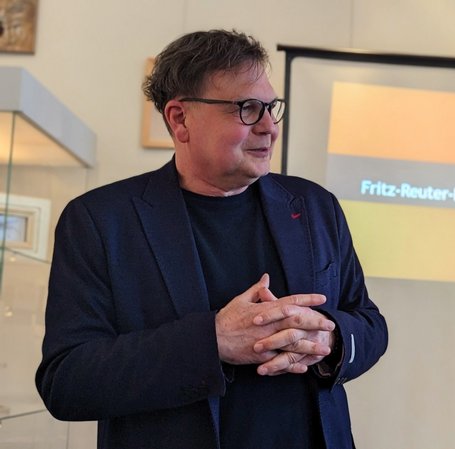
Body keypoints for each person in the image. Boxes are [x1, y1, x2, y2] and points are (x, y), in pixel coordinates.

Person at [35, 29, 388, 449]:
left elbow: (369, 323)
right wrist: (213, 341)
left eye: (271, 108)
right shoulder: (100, 220)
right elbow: (67, 381)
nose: (269, 128)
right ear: (180, 119)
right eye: (247, 109)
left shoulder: (314, 206)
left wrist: (329, 340)